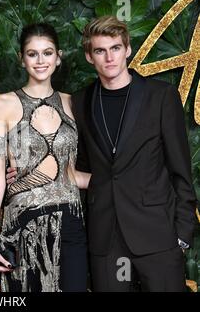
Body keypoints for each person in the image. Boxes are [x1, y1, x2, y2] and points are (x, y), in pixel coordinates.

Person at [71, 16, 197, 291]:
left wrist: (182, 235)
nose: (109, 57)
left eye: (115, 48)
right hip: (106, 238)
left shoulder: (161, 97)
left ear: (127, 49)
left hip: (158, 237)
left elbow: (180, 169)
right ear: (89, 57)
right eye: (100, 51)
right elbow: (83, 166)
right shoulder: (81, 102)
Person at [0, 23, 91, 292]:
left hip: (70, 220)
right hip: (23, 223)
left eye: (47, 53)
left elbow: (70, 173)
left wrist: (120, 180)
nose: (40, 60)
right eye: (32, 54)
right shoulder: (2, 103)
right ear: (22, 59)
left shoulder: (73, 103)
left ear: (58, 57)